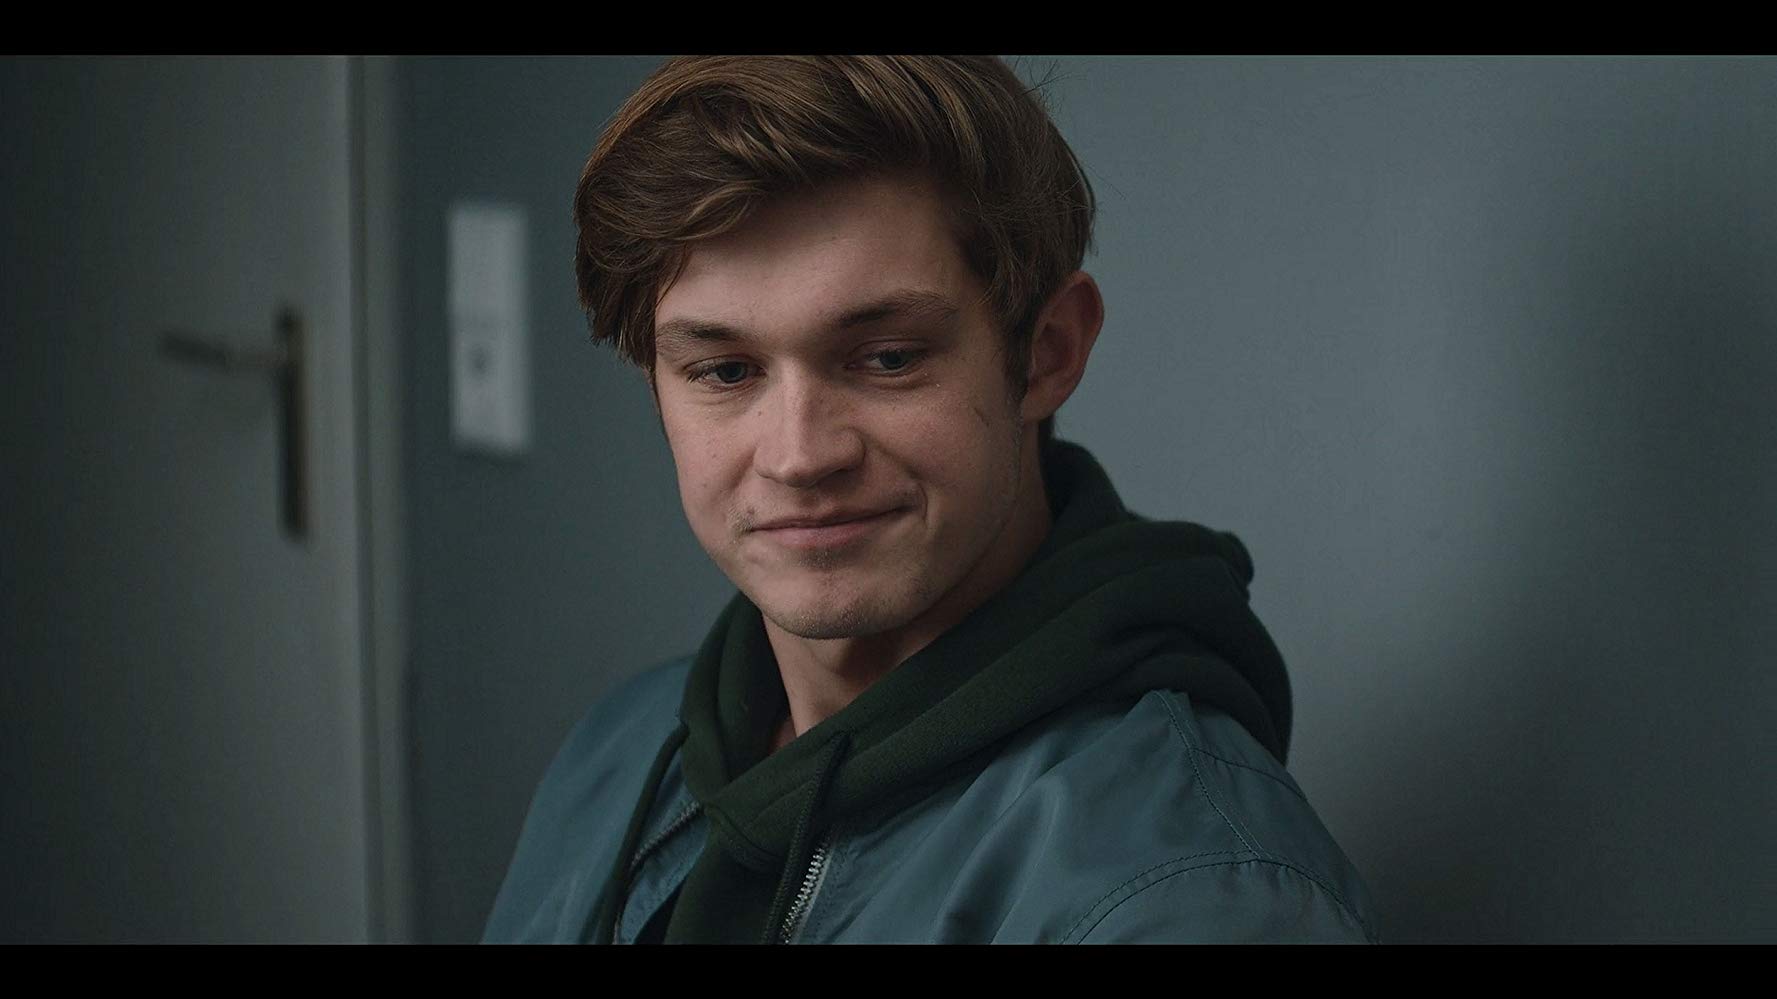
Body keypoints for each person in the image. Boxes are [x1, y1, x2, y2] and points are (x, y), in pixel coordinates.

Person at [483, 55, 1380, 944]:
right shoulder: (618, 752)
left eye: (887, 358)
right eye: (724, 371)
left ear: (1047, 352)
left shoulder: (1192, 896)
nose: (798, 456)